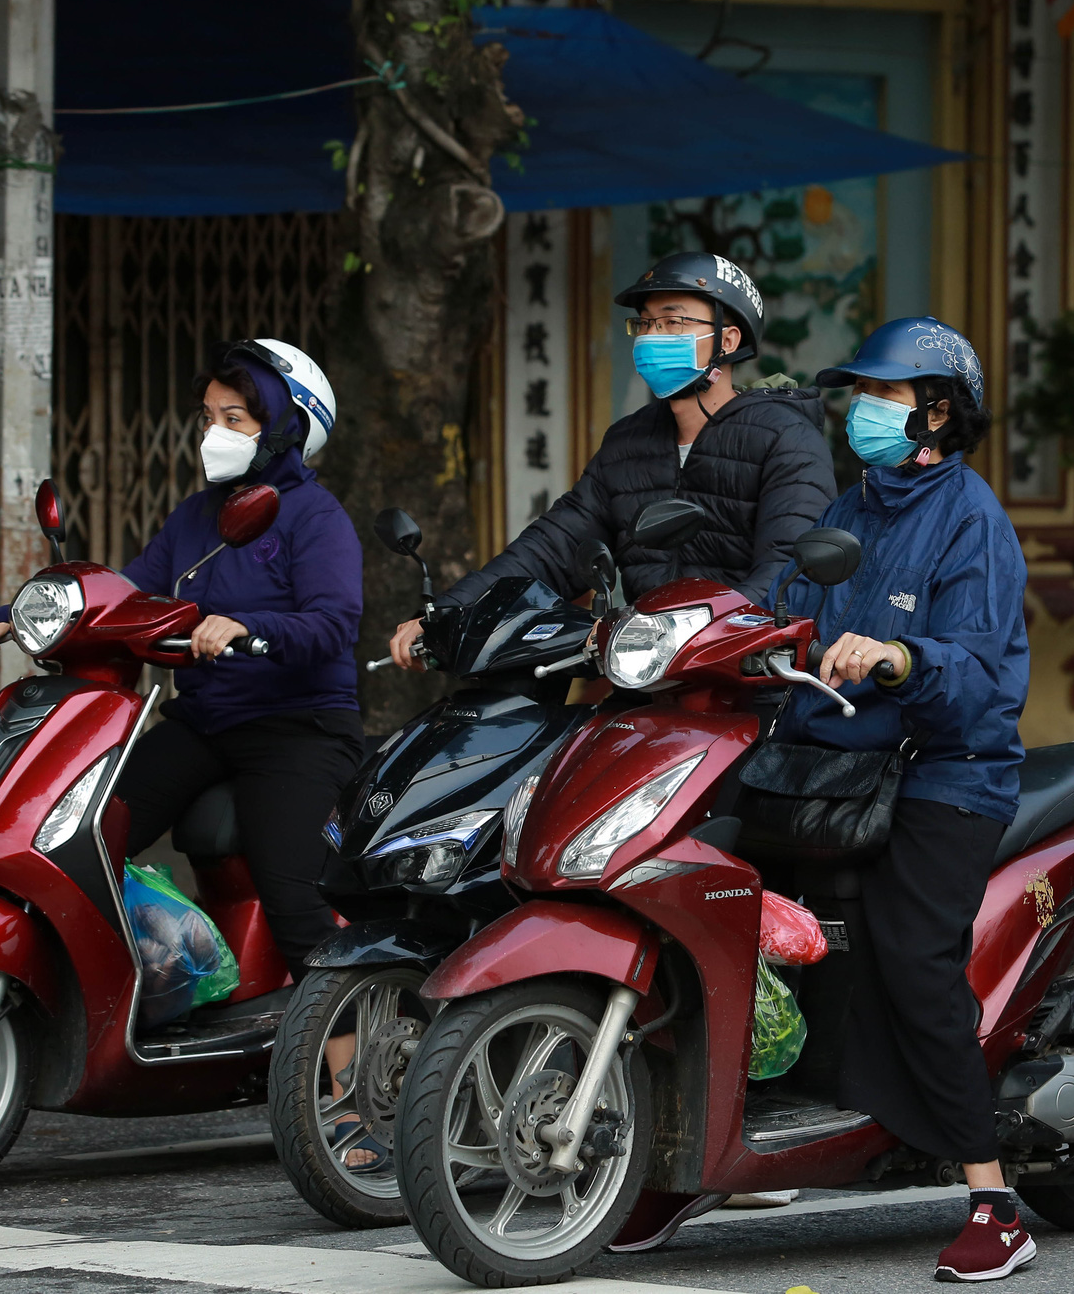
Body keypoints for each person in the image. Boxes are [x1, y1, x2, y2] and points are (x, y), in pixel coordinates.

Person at [0, 339, 367, 1107]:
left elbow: (332, 622)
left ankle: (353, 1084)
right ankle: (140, 983)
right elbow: (126, 593)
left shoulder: (316, 518)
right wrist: (19, 616)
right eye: (207, 416)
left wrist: (246, 625)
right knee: (80, 832)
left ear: (284, 428)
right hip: (205, 718)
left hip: (299, 727)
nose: (212, 430)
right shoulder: (197, 516)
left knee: (293, 894)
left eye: (235, 416)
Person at [773, 318, 1033, 1282]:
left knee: (914, 961)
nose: (861, 413)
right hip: (840, 770)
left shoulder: (971, 516)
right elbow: (787, 602)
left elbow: (977, 674)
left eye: (882, 397)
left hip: (947, 775)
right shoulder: (855, 504)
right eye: (859, 396)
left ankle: (992, 1197)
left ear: (935, 410)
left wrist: (899, 656)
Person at [389, 252, 835, 667]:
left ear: (727, 339)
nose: (651, 337)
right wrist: (451, 610)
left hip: (750, 680)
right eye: (644, 324)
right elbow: (551, 547)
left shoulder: (785, 437)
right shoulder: (628, 442)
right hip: (642, 675)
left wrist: (689, 632)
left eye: (672, 321)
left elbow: (788, 571)